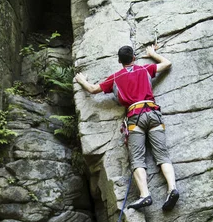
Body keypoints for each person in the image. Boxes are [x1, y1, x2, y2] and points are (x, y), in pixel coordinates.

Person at [75, 44, 179, 211]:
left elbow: (93, 90)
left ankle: (145, 195)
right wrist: (153, 53)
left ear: (119, 61)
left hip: (135, 117)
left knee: (137, 158)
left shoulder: (115, 78)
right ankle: (172, 188)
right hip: (153, 113)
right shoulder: (144, 69)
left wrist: (82, 81)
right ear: (134, 58)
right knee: (162, 154)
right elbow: (167, 63)